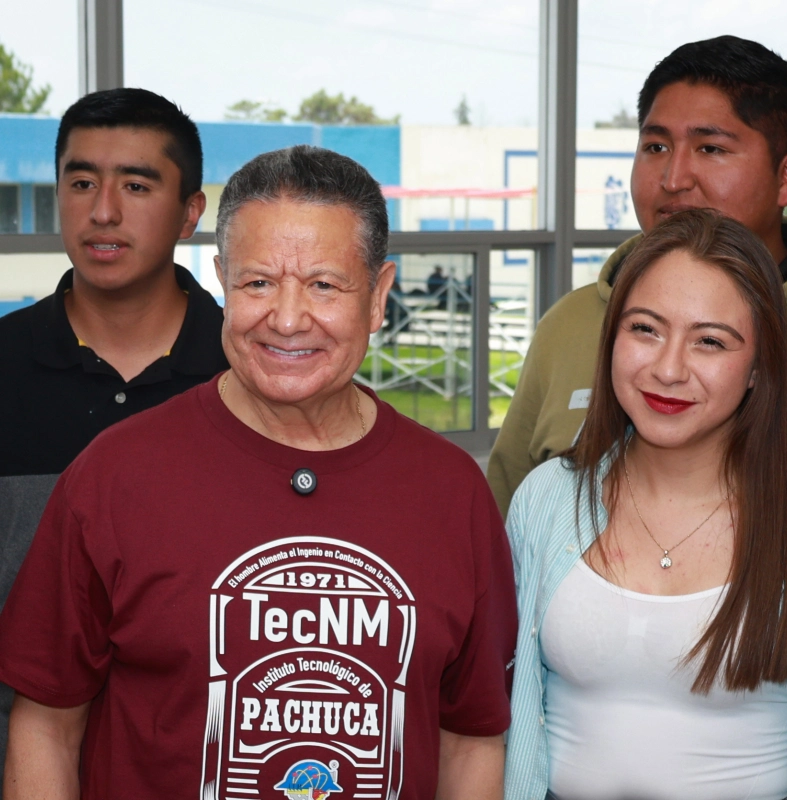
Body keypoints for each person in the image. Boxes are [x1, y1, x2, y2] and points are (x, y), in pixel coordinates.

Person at [0, 145, 516, 799]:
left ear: (380, 295)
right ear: (222, 281)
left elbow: (470, 738)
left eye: (325, 285)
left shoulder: (452, 494)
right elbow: (46, 725)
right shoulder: (115, 475)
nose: (289, 317)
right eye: (258, 283)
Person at [503, 210, 787, 800]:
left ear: (760, 365)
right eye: (645, 329)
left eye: (709, 341)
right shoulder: (547, 498)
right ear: (611, 337)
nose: (668, 368)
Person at [487, 35, 787, 515]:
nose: (674, 178)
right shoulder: (570, 324)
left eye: (711, 149)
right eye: (655, 146)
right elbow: (501, 533)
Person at [0, 87, 227, 776]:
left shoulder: (250, 373)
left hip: (202, 761)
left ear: (191, 212)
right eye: (81, 181)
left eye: (136, 184)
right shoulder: (5, 364)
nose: (102, 210)